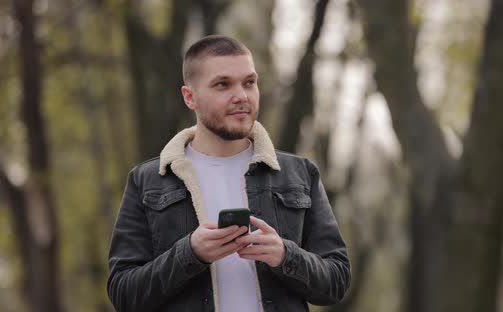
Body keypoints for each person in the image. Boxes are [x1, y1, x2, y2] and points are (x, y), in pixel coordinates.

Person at [107, 35, 350, 312]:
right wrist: (190, 253)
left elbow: (337, 281)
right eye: (223, 84)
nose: (241, 96)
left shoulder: (300, 174)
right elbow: (123, 294)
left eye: (249, 83)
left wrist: (285, 256)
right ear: (190, 97)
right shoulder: (147, 180)